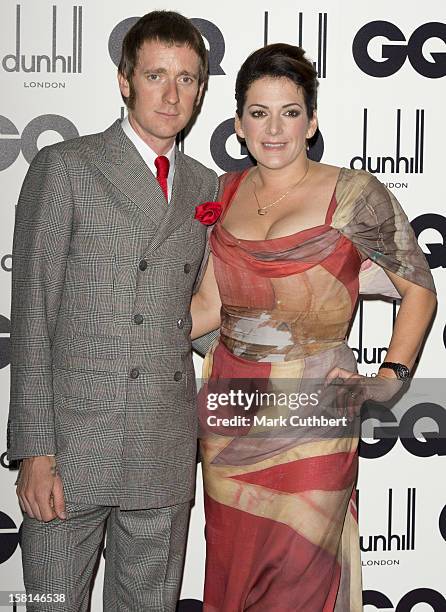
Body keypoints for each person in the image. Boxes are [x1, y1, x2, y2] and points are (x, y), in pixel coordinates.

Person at [191, 43, 436, 611]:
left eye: (290, 111)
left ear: (313, 120)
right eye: (258, 112)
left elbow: (418, 289)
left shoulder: (353, 194)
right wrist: (137, 325)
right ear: (238, 124)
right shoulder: (223, 194)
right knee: (235, 567)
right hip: (231, 413)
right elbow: (207, 307)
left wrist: (391, 376)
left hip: (315, 412)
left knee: (300, 572)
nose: (274, 128)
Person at [7, 11, 218, 612]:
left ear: (201, 90)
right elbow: (31, 318)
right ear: (124, 81)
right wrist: (35, 451)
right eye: (156, 75)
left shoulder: (207, 189)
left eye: (186, 79)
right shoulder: (65, 167)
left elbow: (209, 313)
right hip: (71, 451)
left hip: (163, 449)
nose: (171, 94)